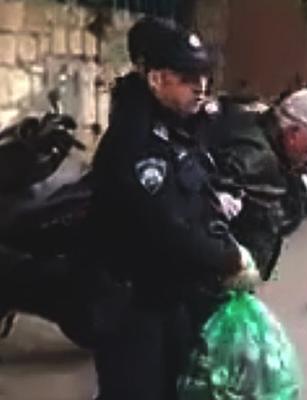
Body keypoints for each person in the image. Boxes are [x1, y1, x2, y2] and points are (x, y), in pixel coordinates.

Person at [87, 17, 254, 400]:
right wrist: (227, 259)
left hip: (170, 299)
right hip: (132, 305)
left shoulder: (177, 126)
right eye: (188, 78)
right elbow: (165, 224)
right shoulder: (137, 141)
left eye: (204, 77)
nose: (201, 88)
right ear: (156, 79)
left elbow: (193, 191)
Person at [204, 88, 307, 280]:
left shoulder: (262, 134)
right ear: (294, 131)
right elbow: (206, 216)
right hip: (214, 280)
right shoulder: (256, 160)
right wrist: (231, 262)